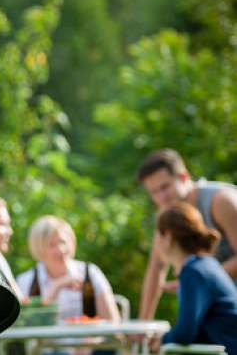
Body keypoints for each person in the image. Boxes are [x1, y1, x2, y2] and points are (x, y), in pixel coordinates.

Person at [136, 148, 237, 320]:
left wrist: (197, 279)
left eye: (165, 187)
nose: (161, 197)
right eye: (154, 192)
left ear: (183, 177)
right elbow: (156, 269)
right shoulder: (167, 213)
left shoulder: (221, 201)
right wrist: (143, 326)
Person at [151, 202, 237, 353]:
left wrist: (162, 339)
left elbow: (185, 334)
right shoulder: (204, 264)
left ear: (168, 236)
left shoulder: (193, 271)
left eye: (157, 235)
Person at [16, 215, 120, 322]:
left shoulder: (90, 273)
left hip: (86, 338)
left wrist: (94, 337)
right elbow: (28, 324)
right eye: (52, 245)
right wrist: (57, 286)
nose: (61, 250)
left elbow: (113, 321)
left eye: (63, 242)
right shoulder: (26, 280)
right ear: (39, 248)